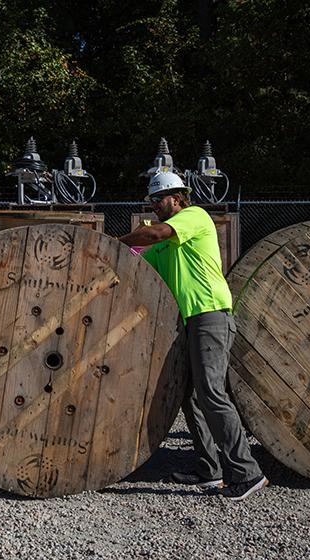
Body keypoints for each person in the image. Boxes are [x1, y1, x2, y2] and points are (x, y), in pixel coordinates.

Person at [118, 171, 267, 501]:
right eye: (151, 201)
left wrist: (117, 242)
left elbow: (153, 234)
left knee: (212, 393)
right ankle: (209, 469)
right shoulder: (164, 246)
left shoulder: (194, 217)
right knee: (192, 396)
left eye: (158, 200)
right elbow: (138, 261)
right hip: (187, 323)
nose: (154, 205)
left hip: (209, 315)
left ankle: (246, 472)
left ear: (176, 197)